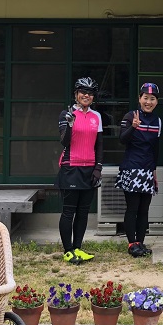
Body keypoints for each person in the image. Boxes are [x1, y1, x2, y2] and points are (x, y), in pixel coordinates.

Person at [56, 77, 103, 265]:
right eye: (83, 92)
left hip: (89, 168)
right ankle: (68, 250)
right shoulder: (66, 113)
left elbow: (99, 145)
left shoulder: (96, 116)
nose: (87, 95)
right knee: (69, 211)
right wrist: (69, 123)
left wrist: (98, 168)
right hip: (70, 167)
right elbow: (64, 142)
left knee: (83, 212)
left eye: (90, 93)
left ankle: (78, 248)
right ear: (76, 94)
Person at [116, 82, 162, 258]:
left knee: (145, 209)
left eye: (152, 99)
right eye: (145, 98)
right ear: (139, 98)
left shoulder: (158, 121)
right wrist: (133, 127)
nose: (148, 102)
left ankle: (141, 243)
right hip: (132, 168)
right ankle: (131, 243)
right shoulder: (130, 116)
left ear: (156, 101)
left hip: (148, 169)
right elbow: (122, 140)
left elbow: (155, 148)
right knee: (132, 208)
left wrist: (154, 169)